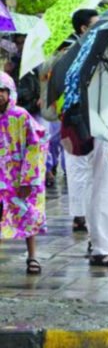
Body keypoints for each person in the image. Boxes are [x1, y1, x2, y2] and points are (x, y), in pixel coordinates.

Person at [0, 79, 48, 274]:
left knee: (28, 214)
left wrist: (29, 178)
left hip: (19, 175)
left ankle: (32, 256)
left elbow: (36, 145)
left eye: (2, 90)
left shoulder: (21, 116)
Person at [65, 9, 100, 234]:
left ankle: (83, 214)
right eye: (96, 24)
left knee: (83, 168)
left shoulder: (87, 50)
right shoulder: (76, 52)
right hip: (75, 116)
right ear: (83, 29)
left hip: (83, 114)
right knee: (79, 167)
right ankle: (81, 215)